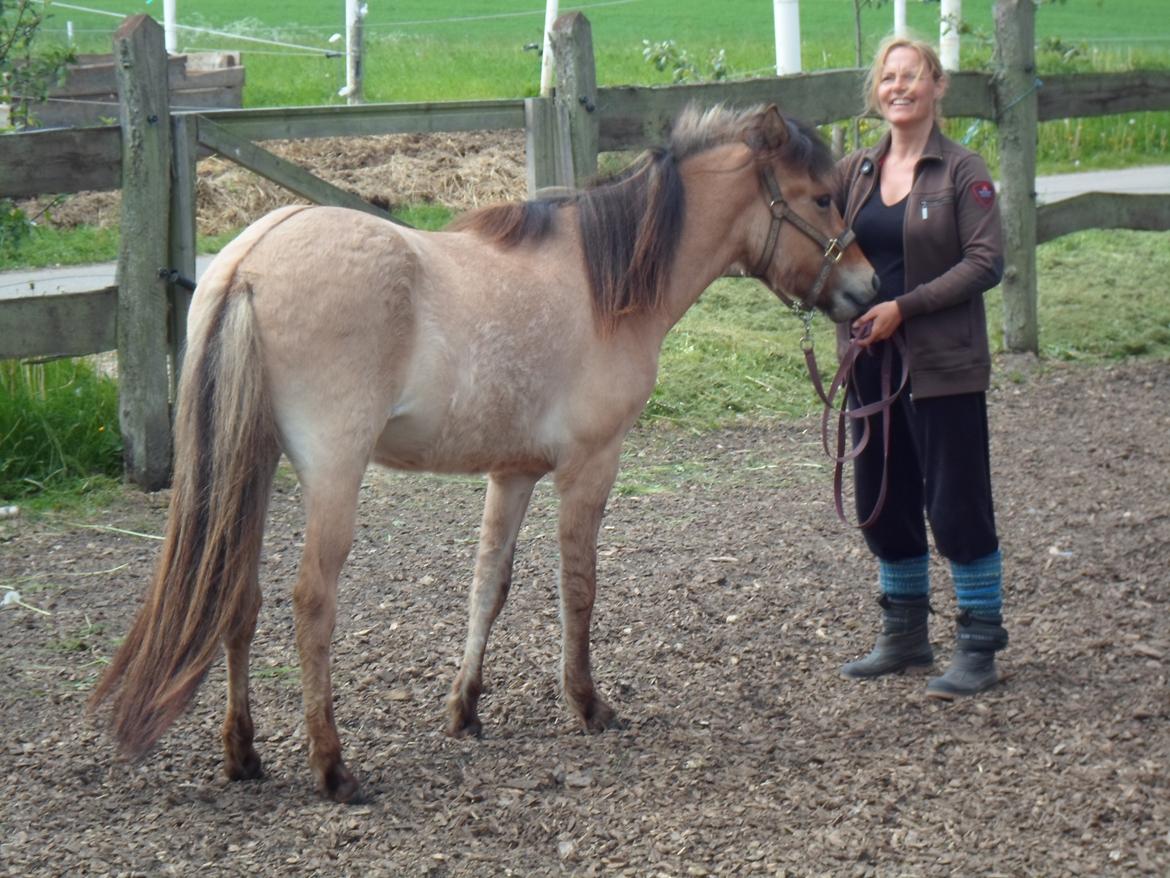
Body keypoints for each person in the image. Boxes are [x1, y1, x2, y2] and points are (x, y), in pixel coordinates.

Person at [830, 35, 1007, 698]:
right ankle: (904, 634)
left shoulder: (965, 171)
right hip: (870, 363)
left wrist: (903, 308)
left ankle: (980, 641)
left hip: (943, 364)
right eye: (888, 77)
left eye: (912, 76)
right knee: (882, 498)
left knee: (957, 501)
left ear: (936, 86)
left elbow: (986, 262)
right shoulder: (855, 174)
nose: (898, 86)